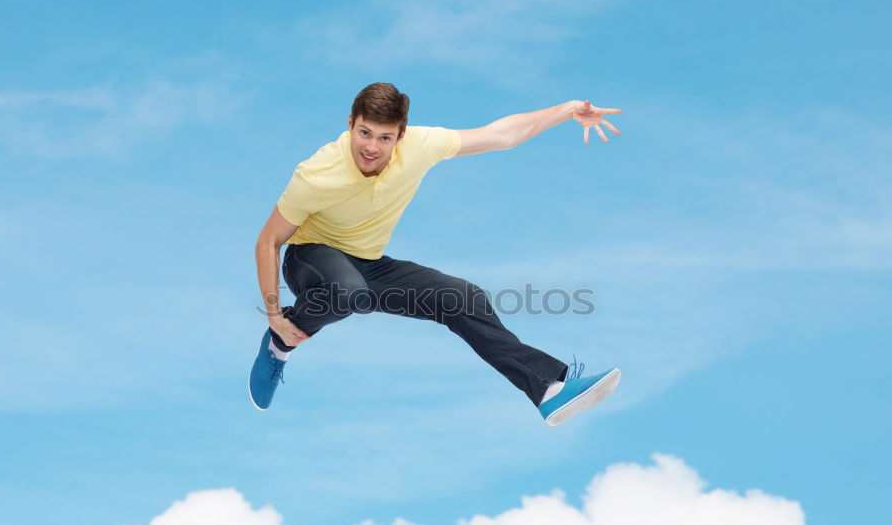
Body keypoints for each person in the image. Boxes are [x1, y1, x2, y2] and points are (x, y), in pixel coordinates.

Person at [251, 83, 622, 426]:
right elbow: (268, 242)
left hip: (367, 262)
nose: (372, 148)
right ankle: (278, 345)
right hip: (310, 257)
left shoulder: (420, 146)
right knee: (347, 290)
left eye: (385, 138)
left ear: (401, 136)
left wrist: (570, 109)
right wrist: (275, 316)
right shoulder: (316, 174)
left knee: (463, 297)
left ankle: (547, 389)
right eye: (364, 133)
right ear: (350, 123)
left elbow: (501, 135)